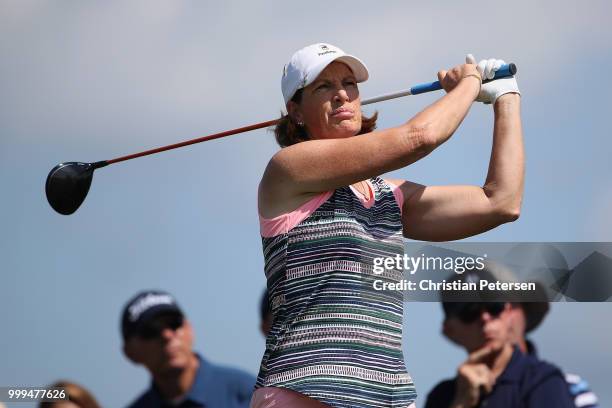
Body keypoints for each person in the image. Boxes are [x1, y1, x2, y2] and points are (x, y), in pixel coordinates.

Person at [253, 42, 524, 407]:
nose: (342, 96)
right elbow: (419, 137)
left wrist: (505, 98)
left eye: (349, 84)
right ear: (295, 112)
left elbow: (501, 202)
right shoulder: (288, 169)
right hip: (305, 390)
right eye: (323, 87)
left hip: (387, 395)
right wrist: (469, 84)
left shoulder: (388, 196)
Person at [121, 290, 255, 408]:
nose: (167, 335)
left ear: (190, 329)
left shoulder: (249, 394)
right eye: (150, 330)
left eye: (174, 324)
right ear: (129, 352)